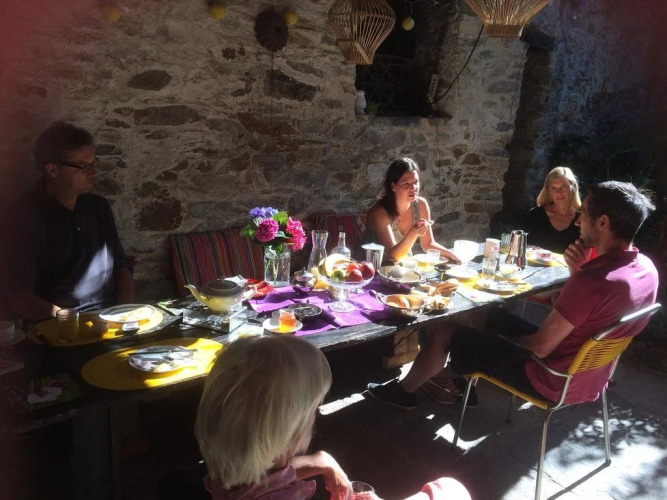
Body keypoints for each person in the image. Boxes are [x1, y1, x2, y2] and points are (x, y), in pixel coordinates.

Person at [367, 181, 658, 410]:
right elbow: (578, 312)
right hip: (590, 376)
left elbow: (540, 347)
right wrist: (577, 272)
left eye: (584, 213)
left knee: (445, 330)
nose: (578, 219)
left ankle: (404, 392)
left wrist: (494, 341)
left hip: (549, 377)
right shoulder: (646, 269)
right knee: (484, 314)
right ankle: (464, 386)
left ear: (603, 223)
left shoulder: (591, 281)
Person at [195, 335, 471, 500]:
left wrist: (321, 461)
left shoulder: (228, 472)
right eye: (313, 409)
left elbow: (261, 479)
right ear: (288, 431)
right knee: (450, 489)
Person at [0, 121, 134, 323]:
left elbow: (121, 271)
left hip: (107, 319)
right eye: (83, 167)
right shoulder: (22, 217)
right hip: (53, 326)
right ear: (52, 170)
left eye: (93, 164)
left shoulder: (97, 207)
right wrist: (72, 323)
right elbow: (18, 297)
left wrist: (125, 316)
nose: (94, 173)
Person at [362, 158, 459, 264]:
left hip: (403, 267)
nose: (413, 188)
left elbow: (428, 244)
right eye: (406, 184)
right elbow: (394, 255)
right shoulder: (380, 212)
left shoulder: (421, 205)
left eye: (416, 182)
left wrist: (451, 255)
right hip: (372, 268)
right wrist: (414, 232)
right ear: (393, 186)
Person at [523, 166, 582, 253]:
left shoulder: (582, 221)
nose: (559, 192)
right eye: (554, 188)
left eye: (564, 186)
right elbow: (523, 248)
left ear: (573, 188)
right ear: (548, 192)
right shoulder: (535, 215)